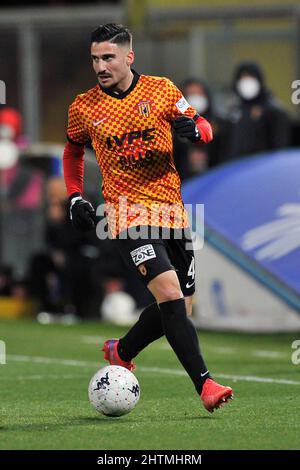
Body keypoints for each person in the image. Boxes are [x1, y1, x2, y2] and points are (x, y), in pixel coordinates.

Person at [63, 23, 233, 413]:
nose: (100, 66)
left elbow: (203, 126)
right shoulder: (84, 107)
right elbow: (73, 152)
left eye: (108, 57)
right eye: (95, 59)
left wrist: (197, 132)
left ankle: (121, 351)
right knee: (171, 296)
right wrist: (75, 196)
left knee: (180, 308)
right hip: (125, 215)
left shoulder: (161, 91)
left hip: (172, 212)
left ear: (128, 57)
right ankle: (206, 385)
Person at [225, 61, 291, 161]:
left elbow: (280, 146)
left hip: (262, 169)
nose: (246, 82)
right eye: (243, 78)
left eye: (250, 77)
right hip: (237, 169)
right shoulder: (234, 110)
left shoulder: (273, 110)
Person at [173, 78, 230, 178]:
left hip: (214, 178)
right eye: (191, 93)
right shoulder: (173, 124)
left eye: (198, 93)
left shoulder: (219, 124)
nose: (195, 97)